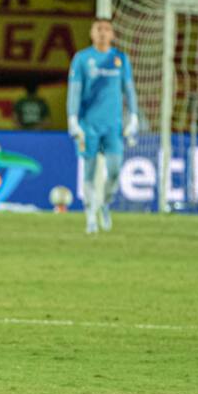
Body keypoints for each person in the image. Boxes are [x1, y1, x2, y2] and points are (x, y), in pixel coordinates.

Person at [67, 18, 139, 234]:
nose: (102, 33)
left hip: (113, 126)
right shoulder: (82, 59)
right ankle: (90, 216)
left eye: (107, 29)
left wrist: (134, 116)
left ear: (113, 35)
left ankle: (104, 203)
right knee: (89, 172)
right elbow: (75, 91)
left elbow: (129, 89)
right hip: (88, 125)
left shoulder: (120, 59)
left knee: (115, 171)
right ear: (91, 33)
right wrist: (72, 119)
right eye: (98, 29)